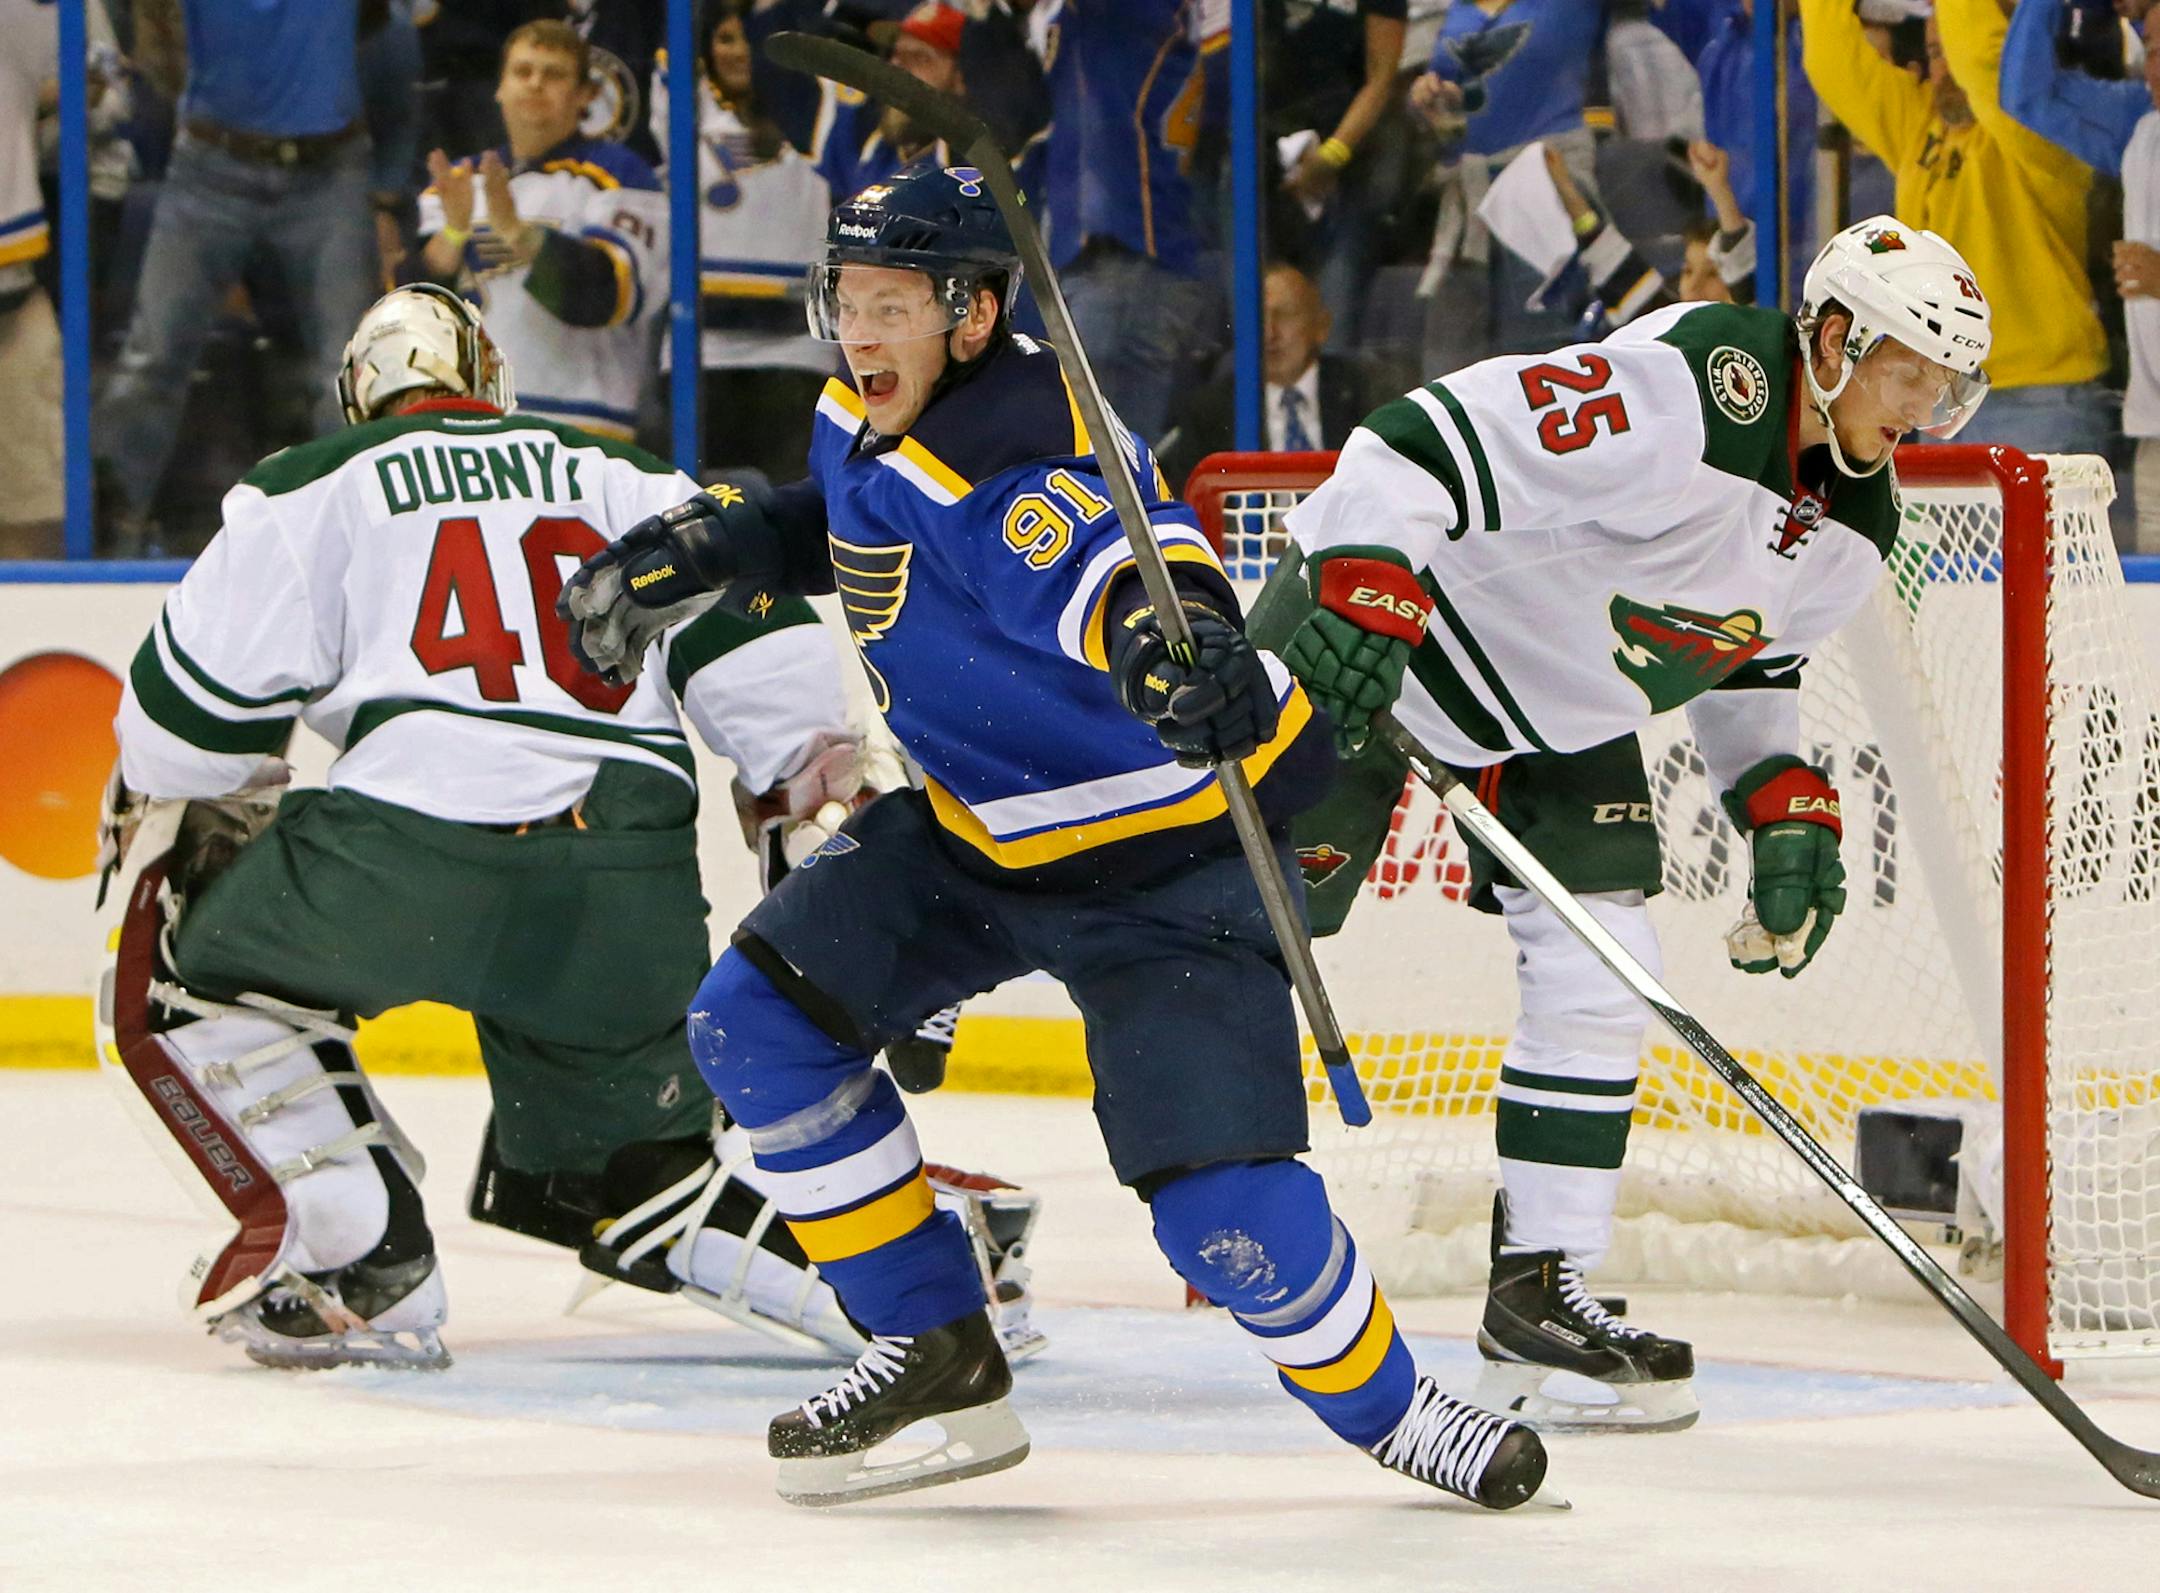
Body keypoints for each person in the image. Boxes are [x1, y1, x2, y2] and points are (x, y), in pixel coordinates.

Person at [555, 160, 1554, 1511]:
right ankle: (935, 1343)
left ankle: (1397, 1411)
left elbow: (1121, 571)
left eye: (893, 304)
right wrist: (731, 544)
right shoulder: (873, 401)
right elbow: (864, 518)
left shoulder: (1015, 443)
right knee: (757, 1021)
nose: (858, 331)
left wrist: (1174, 653)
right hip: (978, 832)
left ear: (973, 314)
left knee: (1224, 1218)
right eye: (846, 298)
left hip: (1169, 857)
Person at [96, 282, 1040, 1372]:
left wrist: (232, 807)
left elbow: (176, 742)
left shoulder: (313, 484)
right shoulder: (624, 473)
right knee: (636, 1173)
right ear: (493, 381)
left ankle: (354, 1263)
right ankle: (935, 1276)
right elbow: (781, 692)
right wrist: (820, 840)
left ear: (358, 399)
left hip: (406, 856)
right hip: (624, 882)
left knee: (181, 953)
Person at [1269, 215, 1991, 1433]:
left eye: (1948, 386)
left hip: (1545, 715)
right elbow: (1415, 442)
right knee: (1213, 922)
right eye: (1908, 372)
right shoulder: (1697, 390)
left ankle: (1538, 1295)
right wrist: (1365, 589)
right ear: (1831, 337)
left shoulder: (1858, 525)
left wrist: (1780, 800)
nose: (1925, 410)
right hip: (1382, 644)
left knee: (1609, 970)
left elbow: (1747, 669)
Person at [91, 0, 378, 552]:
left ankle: (358, 545)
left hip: (329, 169)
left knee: (348, 377)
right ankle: (109, 543)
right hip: (211, 167)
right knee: (149, 363)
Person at [1802, 0, 2109, 458]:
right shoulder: (1921, 124)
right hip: (1935, 393)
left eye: (1949, 48)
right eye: (1933, 52)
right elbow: (1831, 60)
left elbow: (1980, 60)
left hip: (2041, 395)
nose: (1944, 67)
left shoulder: (2048, 132)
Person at [416, 20, 665, 440]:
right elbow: (417, 315)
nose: (535, 85)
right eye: (522, 72)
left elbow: (604, 298)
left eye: (553, 75)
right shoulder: (459, 181)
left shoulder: (620, 176)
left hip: (580, 425)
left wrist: (519, 234)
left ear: (586, 95)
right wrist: (454, 233)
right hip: (470, 424)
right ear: (499, 87)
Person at [1998, 0, 2160, 550]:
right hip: (2154, 434)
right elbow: (2026, 94)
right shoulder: (2141, 128)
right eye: (2152, 49)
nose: (2154, 64)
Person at [651, 0, 834, 484]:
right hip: (704, 354)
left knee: (788, 523)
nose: (741, 52)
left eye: (750, 41)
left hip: (793, 357)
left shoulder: (806, 111)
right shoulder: (685, 109)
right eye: (727, 39)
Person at [1157, 261, 1375, 494]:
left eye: (1285, 315)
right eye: (1258, 318)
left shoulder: (1364, 395)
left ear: (1321, 326)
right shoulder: (1209, 412)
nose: (1270, 333)